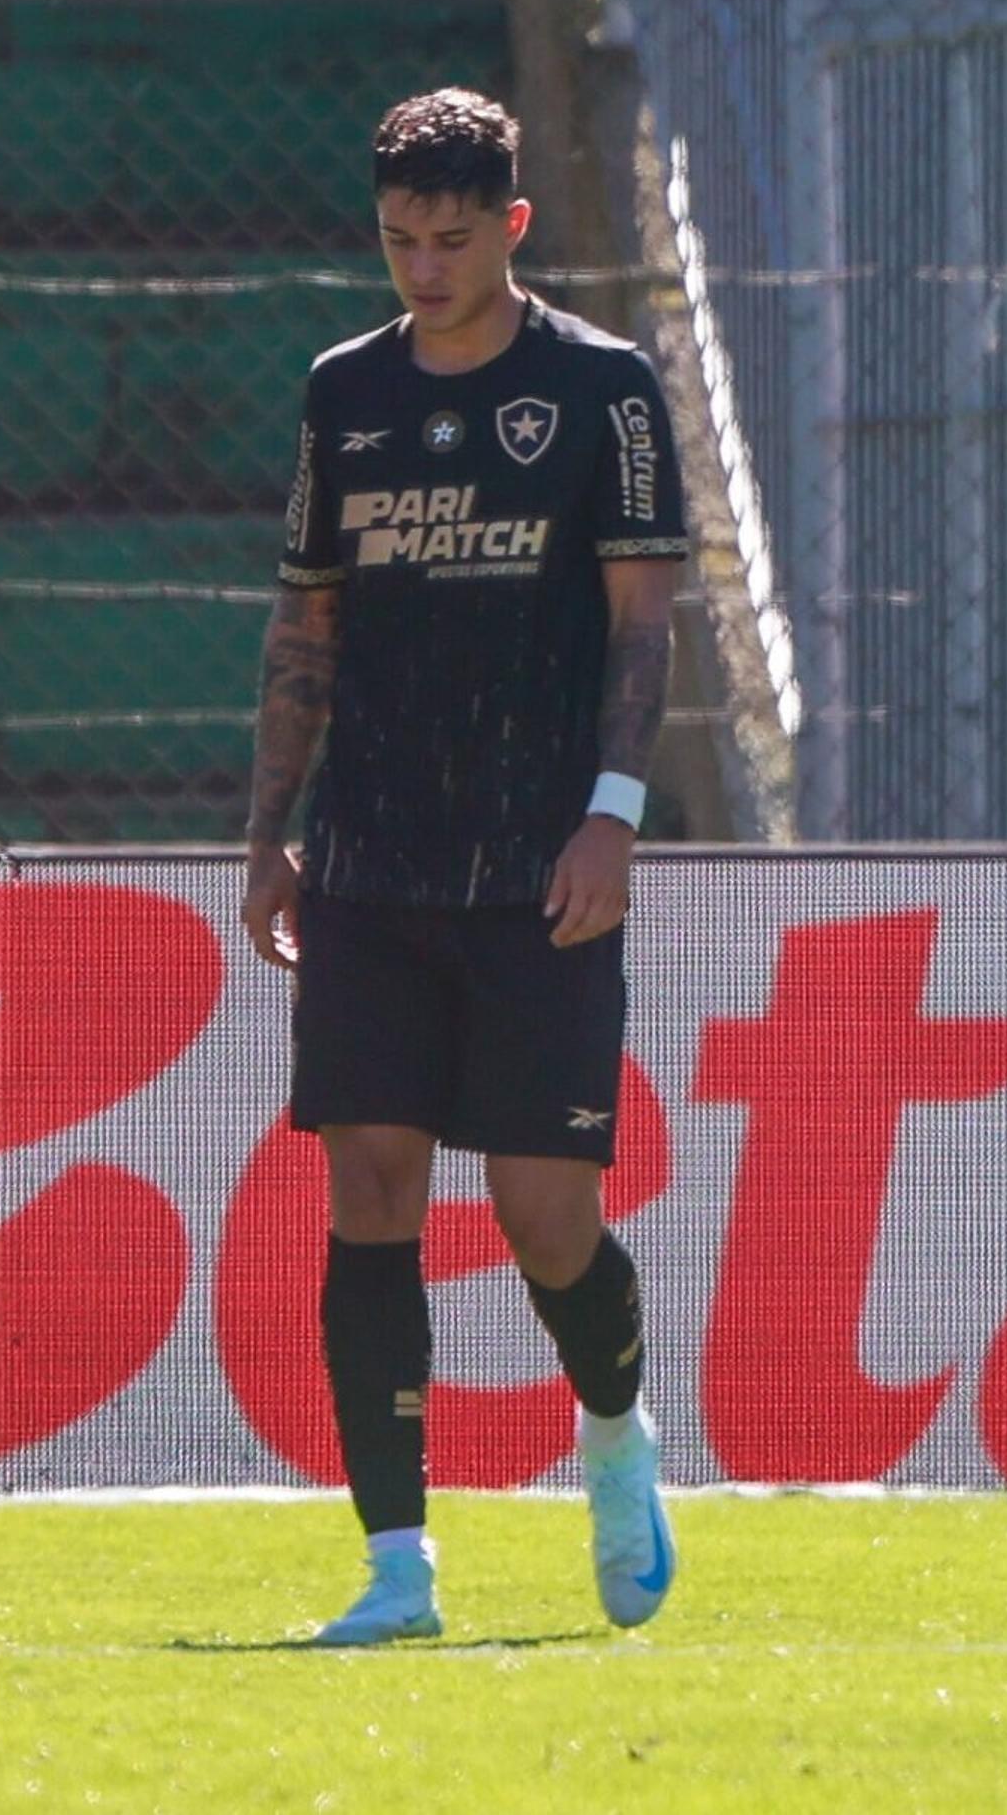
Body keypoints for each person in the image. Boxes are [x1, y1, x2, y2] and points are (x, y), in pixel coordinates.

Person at [241, 88, 691, 1645]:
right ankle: (396, 1567)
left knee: (544, 1212)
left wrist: (613, 811)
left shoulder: (603, 391)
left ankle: (618, 1440)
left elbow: (643, 624)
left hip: (536, 865)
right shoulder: (343, 395)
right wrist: (271, 827)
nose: (421, 268)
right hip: (370, 861)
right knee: (369, 1190)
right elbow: (309, 620)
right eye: (396, 239)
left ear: (511, 227)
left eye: (449, 239)